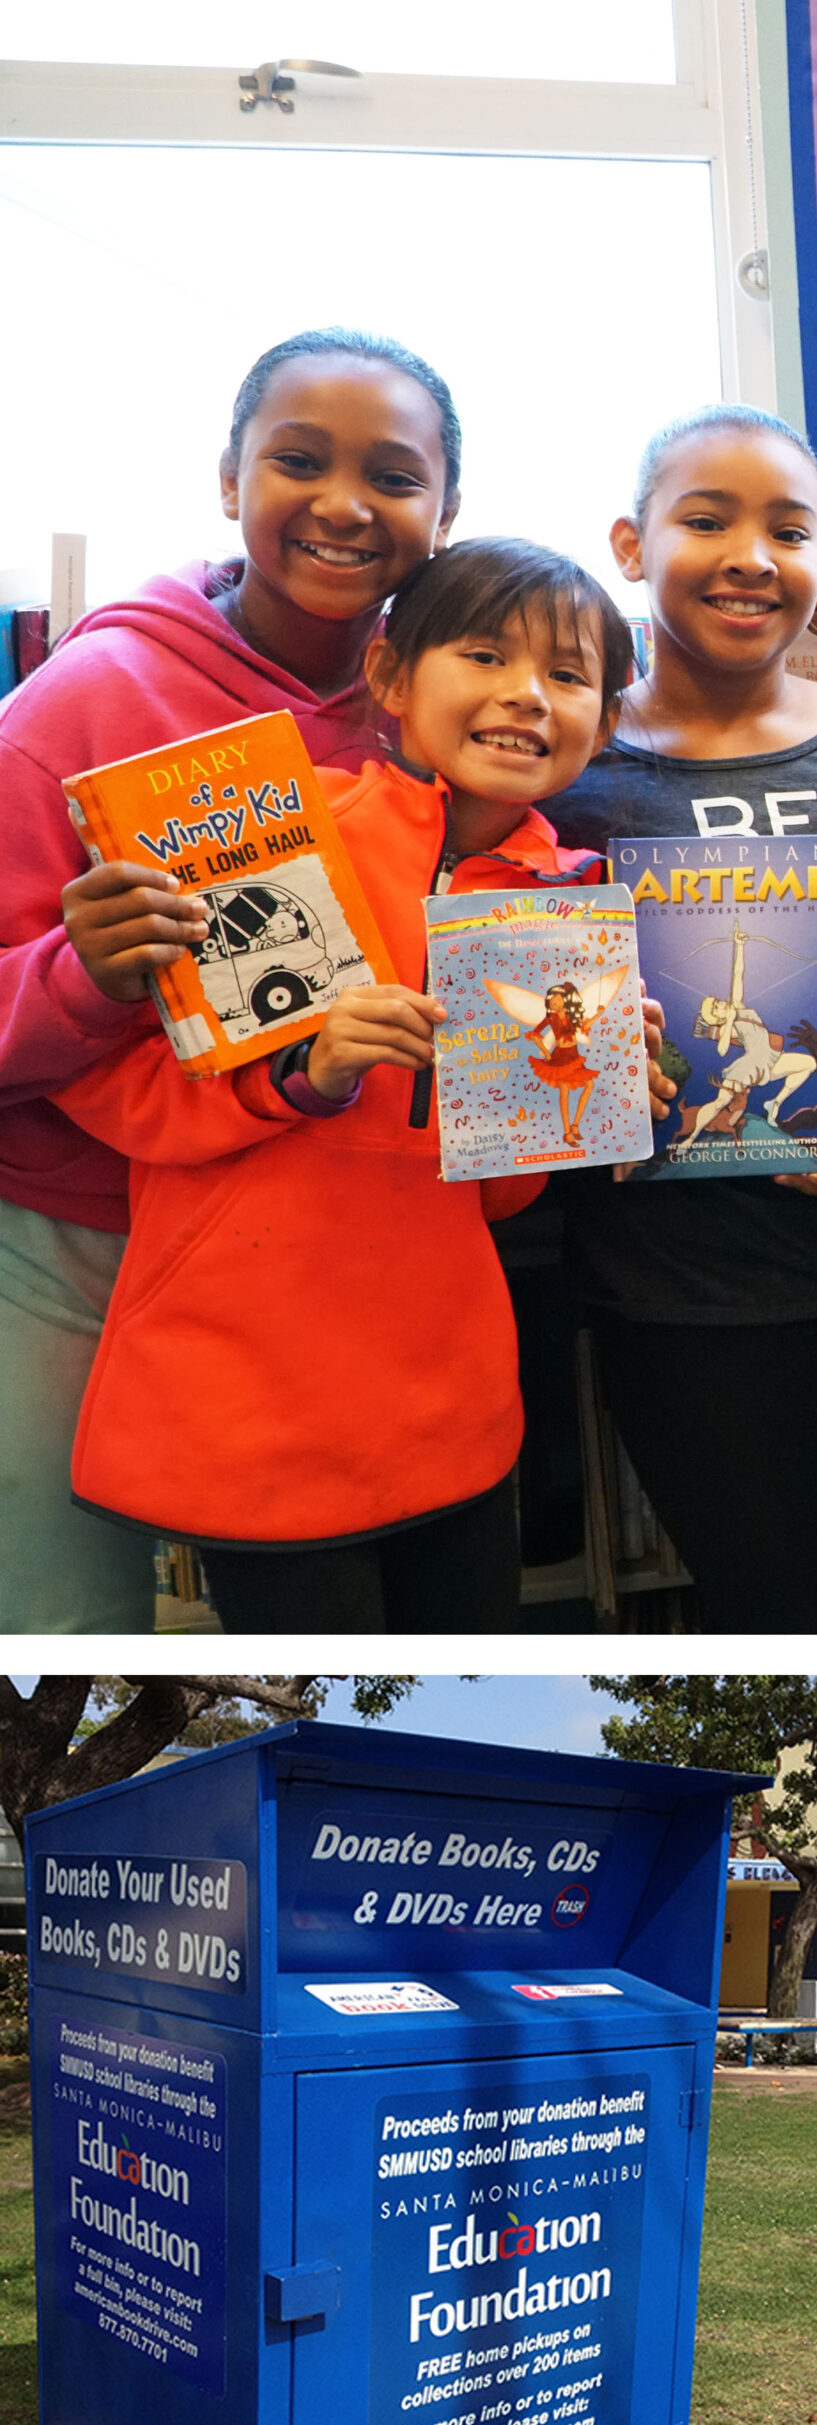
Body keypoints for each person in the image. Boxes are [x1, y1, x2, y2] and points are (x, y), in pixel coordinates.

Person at [52, 538, 633, 1632]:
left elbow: (501, 1196)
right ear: (389, 678)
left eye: (566, 674)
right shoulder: (265, 839)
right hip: (250, 1398)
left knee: (454, 1690)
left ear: (604, 725)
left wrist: (589, 1083)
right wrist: (300, 1076)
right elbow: (112, 1087)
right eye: (482, 654)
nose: (524, 695)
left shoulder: (571, 904)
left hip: (449, 1403)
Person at [0, 325, 460, 1631]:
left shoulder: (438, 704)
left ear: (447, 510)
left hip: (316, 1240)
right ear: (227, 479)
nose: (343, 503)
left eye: (393, 475)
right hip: (79, 1233)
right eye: (297, 460)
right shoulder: (86, 698)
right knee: (60, 1627)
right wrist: (79, 974)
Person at [538, 403, 817, 1633]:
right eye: (706, 519)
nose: (750, 554)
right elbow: (499, 1012)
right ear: (630, 546)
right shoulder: (561, 768)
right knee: (798, 1616)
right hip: (686, 1297)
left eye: (788, 529)